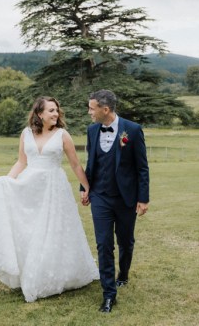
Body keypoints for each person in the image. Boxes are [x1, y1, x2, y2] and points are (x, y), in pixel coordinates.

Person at [0, 96, 99, 302]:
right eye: (51, 110)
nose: (56, 114)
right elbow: (22, 161)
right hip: (30, 186)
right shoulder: (26, 134)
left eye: (57, 110)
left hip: (54, 188)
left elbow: (75, 165)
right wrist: (7, 181)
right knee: (30, 229)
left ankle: (54, 274)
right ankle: (28, 270)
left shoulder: (62, 135)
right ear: (39, 114)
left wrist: (87, 187)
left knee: (53, 230)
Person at [81, 89, 150, 313]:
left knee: (125, 241)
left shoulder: (132, 130)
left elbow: (141, 168)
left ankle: (124, 273)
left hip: (125, 198)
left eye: (92, 108)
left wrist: (143, 198)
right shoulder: (92, 131)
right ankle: (109, 294)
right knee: (103, 245)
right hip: (100, 197)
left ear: (105, 109)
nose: (89, 112)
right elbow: (90, 163)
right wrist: (84, 187)